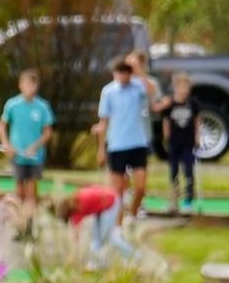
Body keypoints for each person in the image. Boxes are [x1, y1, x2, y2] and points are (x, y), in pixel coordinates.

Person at [95, 57, 154, 220]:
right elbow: (103, 122)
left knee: (140, 187)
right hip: (117, 145)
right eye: (119, 73)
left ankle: (133, 214)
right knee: (118, 190)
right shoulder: (108, 91)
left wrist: (139, 71)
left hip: (137, 143)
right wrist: (101, 149)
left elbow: (151, 91)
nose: (122, 77)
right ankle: (118, 225)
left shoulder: (137, 87)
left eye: (125, 73)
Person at [0, 68, 54, 214]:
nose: (30, 88)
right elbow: (1, 127)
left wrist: (35, 147)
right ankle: (18, 220)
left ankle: (30, 220)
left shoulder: (42, 106)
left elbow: (47, 133)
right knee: (19, 191)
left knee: (31, 191)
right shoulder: (12, 104)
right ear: (20, 85)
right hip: (17, 155)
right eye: (27, 84)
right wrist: (6, 145)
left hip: (35, 156)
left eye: (33, 85)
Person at [56, 180, 133, 264]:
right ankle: (97, 263)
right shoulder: (76, 199)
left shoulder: (80, 206)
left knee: (109, 237)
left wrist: (73, 254)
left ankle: (133, 256)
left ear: (69, 212)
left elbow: (76, 233)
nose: (71, 219)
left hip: (111, 203)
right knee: (96, 239)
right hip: (101, 205)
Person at [163, 72, 200, 214]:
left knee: (188, 171)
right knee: (174, 172)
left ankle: (188, 201)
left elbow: (197, 120)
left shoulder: (193, 104)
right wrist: (166, 136)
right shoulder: (170, 104)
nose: (184, 90)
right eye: (181, 87)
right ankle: (173, 201)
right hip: (174, 143)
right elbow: (166, 121)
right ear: (175, 87)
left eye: (186, 87)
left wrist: (197, 137)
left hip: (188, 143)